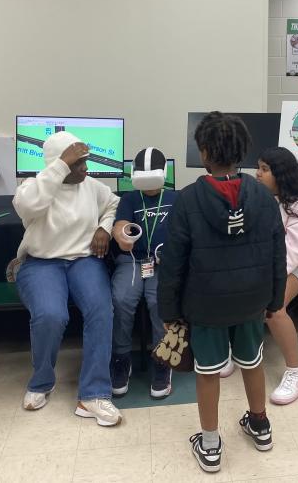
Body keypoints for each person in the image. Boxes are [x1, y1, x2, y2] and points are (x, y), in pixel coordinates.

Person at [158, 111, 286, 473]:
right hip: (253, 301)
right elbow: (279, 253)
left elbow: (173, 264)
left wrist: (169, 311)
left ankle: (211, 444)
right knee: (253, 361)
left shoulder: (186, 200)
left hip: (206, 305)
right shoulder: (263, 197)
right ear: (244, 151)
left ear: (203, 152)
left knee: (208, 371)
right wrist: (274, 302)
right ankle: (260, 425)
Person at [13, 131, 122, 426]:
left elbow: (112, 203)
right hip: (42, 263)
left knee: (101, 310)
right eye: (78, 164)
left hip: (83, 260)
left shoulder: (90, 186)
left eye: (85, 162)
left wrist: (104, 227)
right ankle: (41, 381)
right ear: (58, 165)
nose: (85, 169)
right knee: (50, 315)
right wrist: (61, 167)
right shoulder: (32, 188)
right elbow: (28, 208)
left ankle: (93, 394)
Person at [256, 147, 298, 405]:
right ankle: (240, 352)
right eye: (258, 168)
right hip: (268, 266)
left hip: (297, 267)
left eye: (264, 169)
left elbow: (293, 254)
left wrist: (266, 278)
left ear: (281, 174)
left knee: (274, 308)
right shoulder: (263, 199)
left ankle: (297, 372)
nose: (258, 174)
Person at [110, 147, 176, 399]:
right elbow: (120, 225)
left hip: (163, 263)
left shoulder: (175, 199)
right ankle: (121, 358)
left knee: (159, 301)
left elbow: (183, 232)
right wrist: (122, 236)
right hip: (133, 262)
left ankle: (163, 360)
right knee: (121, 299)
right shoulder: (129, 199)